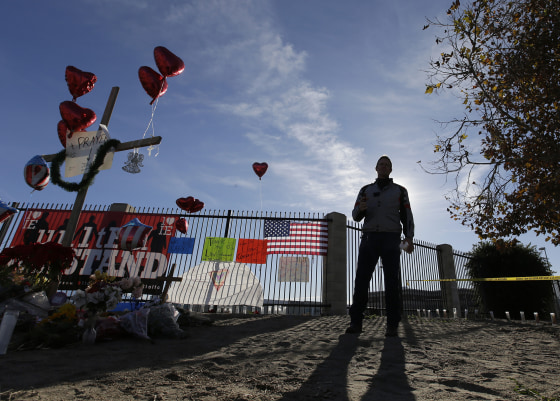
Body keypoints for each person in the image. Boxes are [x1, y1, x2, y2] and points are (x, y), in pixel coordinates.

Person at [346, 155, 415, 337]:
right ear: (376, 168)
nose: (383, 167)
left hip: (392, 238)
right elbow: (355, 215)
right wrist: (360, 209)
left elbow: (407, 215)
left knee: (392, 282)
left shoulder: (401, 191)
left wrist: (409, 237)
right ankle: (356, 322)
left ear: (391, 169)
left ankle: (392, 324)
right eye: (381, 164)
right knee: (361, 280)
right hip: (369, 238)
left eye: (387, 165)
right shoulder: (365, 190)